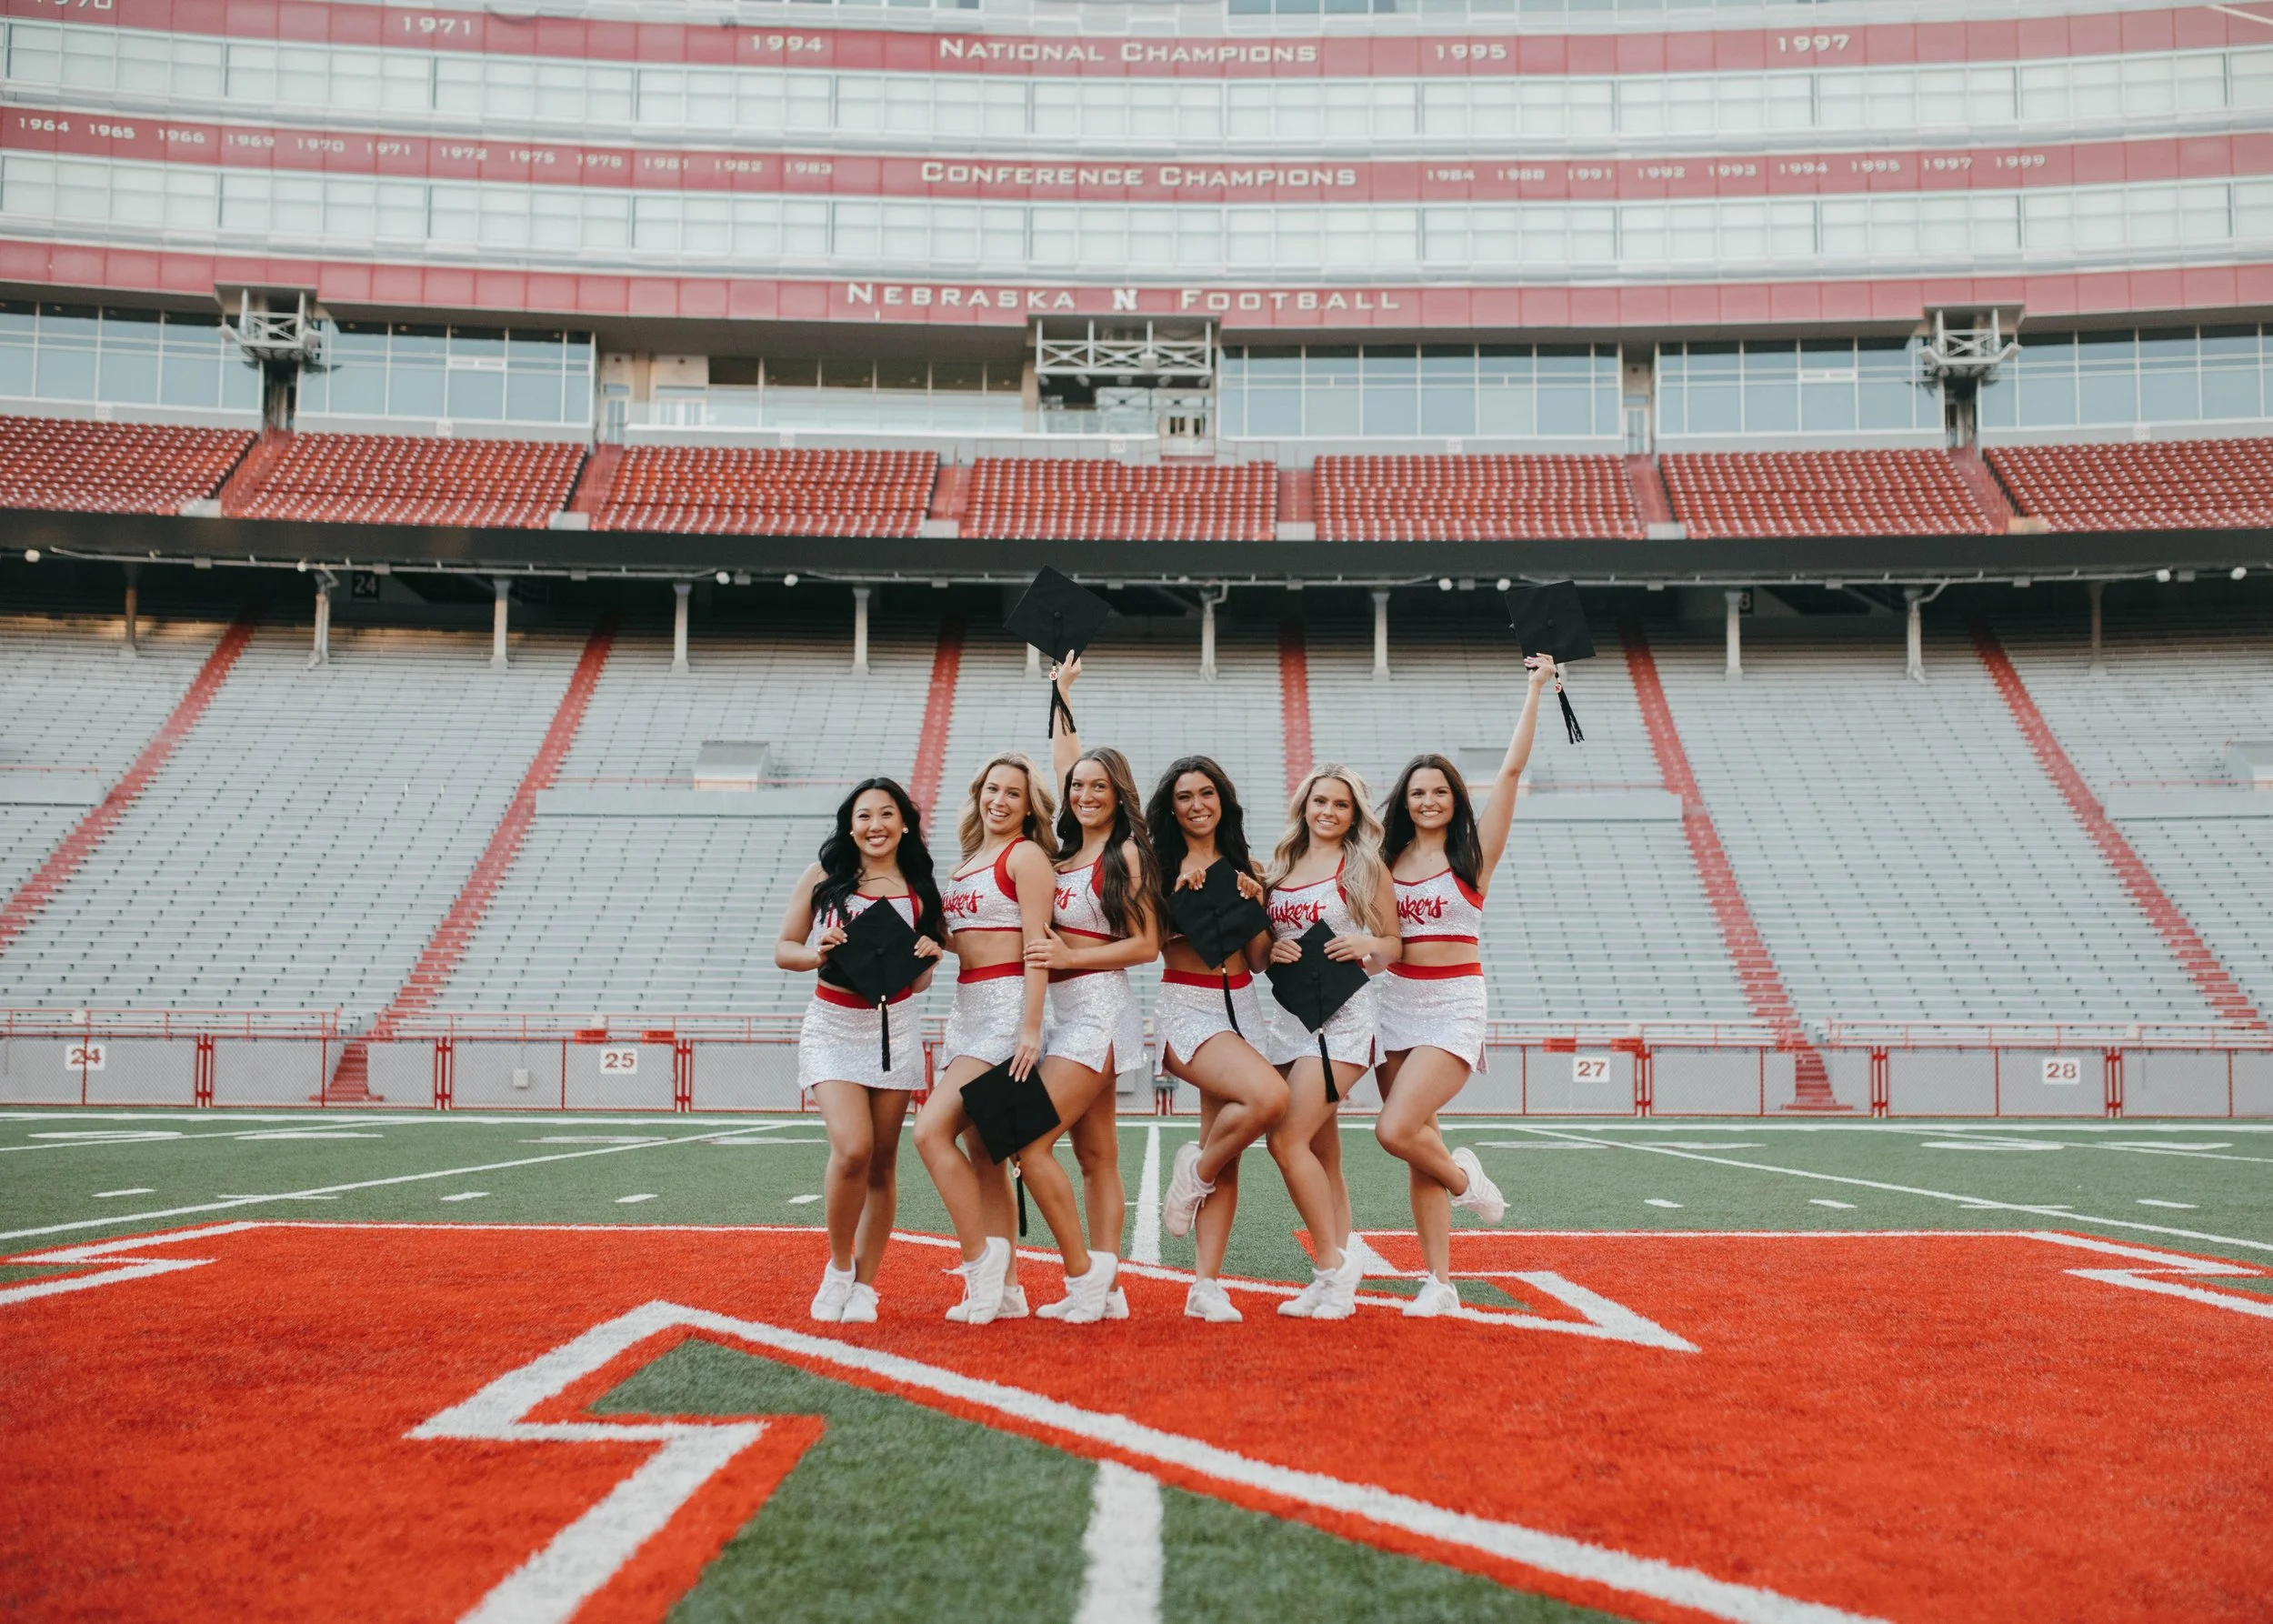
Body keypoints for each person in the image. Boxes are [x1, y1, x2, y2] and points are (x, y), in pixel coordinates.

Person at [1374, 656, 1557, 1313]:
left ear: (1454, 799)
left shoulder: (1472, 856)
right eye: (1417, 792)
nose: (1428, 800)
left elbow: (1509, 773)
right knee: (1418, 1141)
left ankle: (1466, 1181)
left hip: (1452, 1003)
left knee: (1395, 1129)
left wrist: (1534, 690)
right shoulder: (1386, 860)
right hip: (1394, 1001)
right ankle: (1440, 1282)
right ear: (1405, 800)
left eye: (1440, 791)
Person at [912, 752, 1118, 1325]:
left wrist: (1030, 1026)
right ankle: (1006, 1289)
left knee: (931, 1133)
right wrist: (940, 945)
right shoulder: (970, 857)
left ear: (1030, 807)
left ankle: (983, 1260)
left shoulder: (1025, 855)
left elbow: (1035, 944)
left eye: (1013, 794)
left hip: (1005, 1014)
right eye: (992, 789)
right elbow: (976, 938)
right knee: (984, 1151)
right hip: (965, 1010)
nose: (999, 801)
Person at [775, 777, 946, 1324]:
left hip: (894, 1029)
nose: (876, 825)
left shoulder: (920, 889)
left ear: (905, 824)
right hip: (831, 1024)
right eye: (865, 815)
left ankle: (867, 1286)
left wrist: (928, 956)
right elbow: (784, 950)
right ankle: (838, 1268)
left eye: (887, 814)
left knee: (882, 1164)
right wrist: (816, 954)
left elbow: (915, 985)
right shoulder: (824, 877)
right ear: (850, 824)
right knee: (852, 1150)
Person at [1026, 661, 1161, 1318]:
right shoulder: (1063, 851)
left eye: (1098, 787)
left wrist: (1068, 954)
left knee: (1031, 1145)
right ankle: (1109, 1293)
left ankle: (1085, 1280)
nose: (1083, 793)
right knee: (1097, 1153)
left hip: (1100, 1013)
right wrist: (1061, 694)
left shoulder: (1128, 853)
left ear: (1118, 794)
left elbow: (1145, 946)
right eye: (1078, 786)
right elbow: (1064, 759)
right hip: (1065, 1014)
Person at [1145, 750, 1298, 1323]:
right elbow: (1149, 941)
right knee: (1269, 1098)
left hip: (1244, 1008)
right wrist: (1175, 899)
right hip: (1190, 1006)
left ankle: (1205, 1285)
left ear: (1222, 801)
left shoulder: (1247, 867)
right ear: (1173, 809)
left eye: (1206, 794)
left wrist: (1264, 916)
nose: (1196, 805)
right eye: (1184, 797)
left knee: (1227, 1147)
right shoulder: (1157, 869)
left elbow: (1257, 961)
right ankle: (1196, 1171)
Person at [1262, 764, 1402, 1321]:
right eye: (1320, 801)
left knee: (1286, 1140)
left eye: (1341, 805)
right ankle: (1339, 1271)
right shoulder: (1281, 867)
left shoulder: (1365, 867)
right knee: (1323, 1152)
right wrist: (1273, 951)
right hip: (1289, 1019)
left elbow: (1393, 946)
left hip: (1345, 1018)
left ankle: (1331, 1271)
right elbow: (1267, 942)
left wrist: (1365, 940)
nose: (1328, 811)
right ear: (1304, 805)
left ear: (1355, 814)